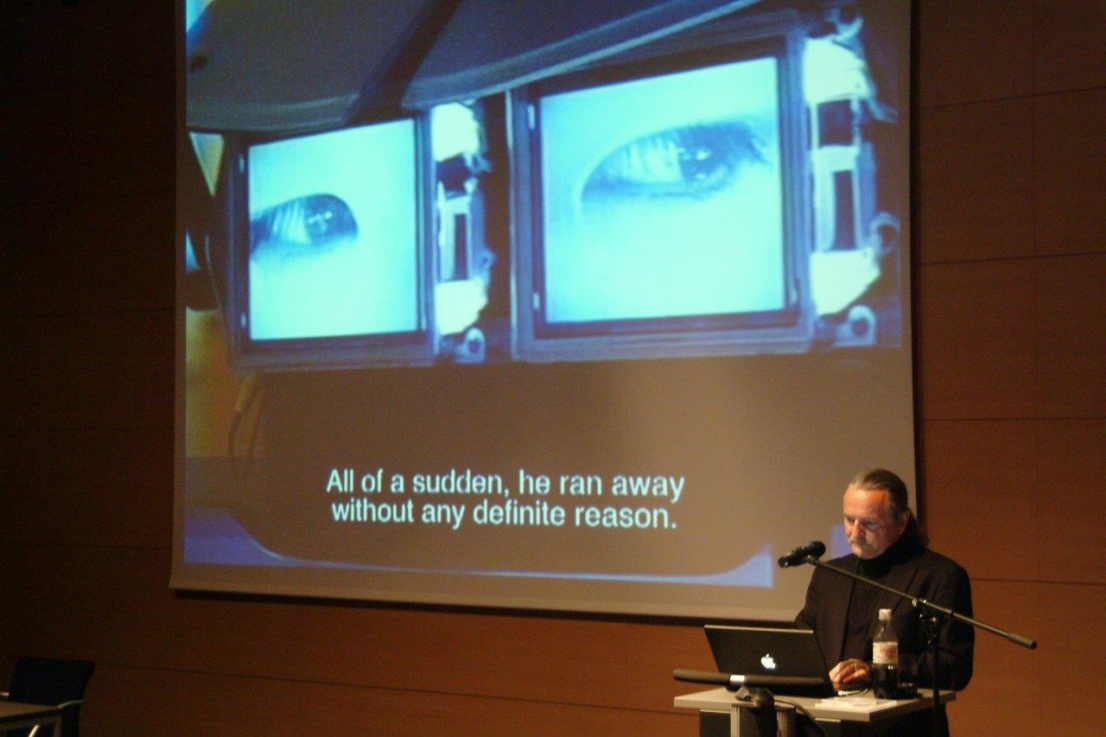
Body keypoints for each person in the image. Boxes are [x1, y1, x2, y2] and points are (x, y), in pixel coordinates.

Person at [795, 469, 974, 735]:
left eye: (869, 523)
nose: (855, 532)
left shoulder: (939, 576)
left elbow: (954, 666)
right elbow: (802, 641)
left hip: (901, 728)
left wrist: (877, 671)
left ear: (901, 522)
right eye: (849, 519)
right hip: (825, 726)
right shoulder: (829, 574)